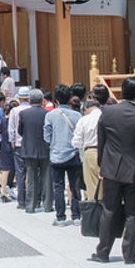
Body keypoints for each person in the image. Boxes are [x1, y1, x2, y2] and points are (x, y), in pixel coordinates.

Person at [91, 77, 135, 264]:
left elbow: (102, 142)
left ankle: (103, 252)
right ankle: (129, 255)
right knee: (133, 213)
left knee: (109, 210)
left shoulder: (107, 113)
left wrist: (101, 165)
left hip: (111, 169)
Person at [44, 84, 83, 226]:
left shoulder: (50, 115)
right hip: (73, 154)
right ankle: (76, 216)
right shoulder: (77, 115)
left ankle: (60, 217)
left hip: (57, 154)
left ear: (56, 99)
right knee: (75, 185)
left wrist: (54, 142)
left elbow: (46, 136)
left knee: (58, 186)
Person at [18, 89, 52, 214]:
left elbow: (20, 131)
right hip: (45, 148)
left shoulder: (23, 114)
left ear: (30, 100)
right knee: (47, 178)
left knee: (31, 179)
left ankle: (30, 206)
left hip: (29, 148)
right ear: (42, 100)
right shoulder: (47, 113)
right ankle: (48, 205)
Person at [8, 86, 33, 209]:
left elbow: (11, 127)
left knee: (20, 173)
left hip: (18, 144)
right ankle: (32, 199)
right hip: (31, 144)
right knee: (31, 172)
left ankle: (21, 201)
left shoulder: (14, 110)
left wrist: (12, 140)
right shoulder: (32, 109)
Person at [72, 100, 102, 200]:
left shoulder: (84, 120)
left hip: (90, 151)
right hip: (107, 152)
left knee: (92, 184)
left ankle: (95, 206)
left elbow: (76, 142)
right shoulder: (106, 117)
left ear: (86, 109)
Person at [0, 99, 19, 202]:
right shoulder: (15, 120)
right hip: (14, 146)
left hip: (4, 146)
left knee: (5, 170)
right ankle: (14, 189)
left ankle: (3, 191)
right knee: (16, 169)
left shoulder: (2, 120)